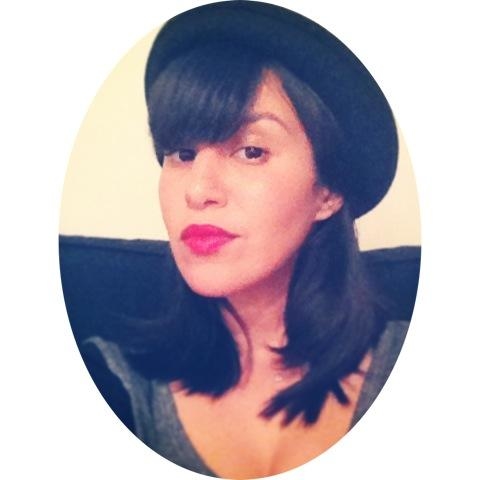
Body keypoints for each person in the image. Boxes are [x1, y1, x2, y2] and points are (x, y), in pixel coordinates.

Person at [81, 2, 409, 478]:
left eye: (251, 151)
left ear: (327, 191)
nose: (198, 190)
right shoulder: (111, 383)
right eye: (182, 152)